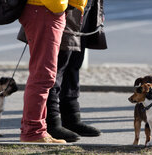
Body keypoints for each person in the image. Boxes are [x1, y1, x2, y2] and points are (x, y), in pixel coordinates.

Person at [19, 0, 87, 143]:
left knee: (44, 75)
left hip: (47, 11)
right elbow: (56, 3)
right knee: (43, 75)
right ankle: (33, 131)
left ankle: (37, 129)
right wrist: (62, 7)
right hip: (46, 10)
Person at [46, 0, 108, 142]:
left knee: (74, 65)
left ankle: (71, 118)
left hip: (84, 7)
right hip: (63, 8)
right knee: (56, 68)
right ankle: (52, 122)